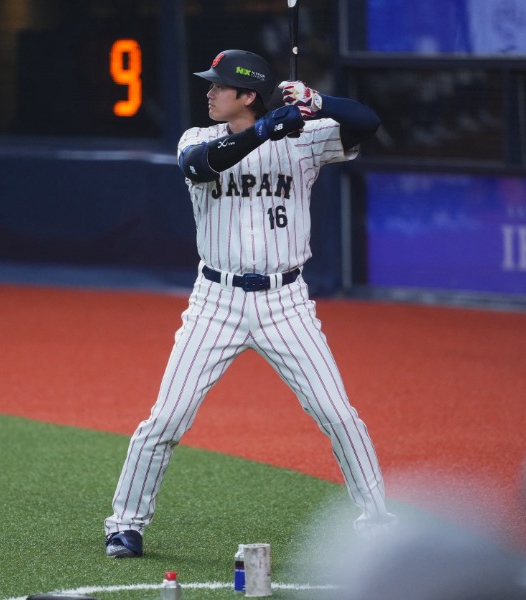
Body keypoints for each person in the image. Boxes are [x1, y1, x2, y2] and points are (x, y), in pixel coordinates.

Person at [104, 49, 393, 559]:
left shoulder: (305, 141)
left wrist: (315, 100)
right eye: (210, 85)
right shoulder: (198, 138)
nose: (210, 93)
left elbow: (368, 122)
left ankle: (377, 522)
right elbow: (201, 166)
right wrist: (263, 131)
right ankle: (125, 524)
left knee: (337, 413)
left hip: (287, 302)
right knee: (166, 419)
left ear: (248, 95)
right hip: (215, 301)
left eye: (219, 86)